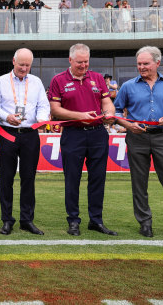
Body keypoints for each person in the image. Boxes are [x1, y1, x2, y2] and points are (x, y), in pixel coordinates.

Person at [114, 46, 163, 239]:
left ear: (157, 63)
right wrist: (127, 125)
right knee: (139, 183)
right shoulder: (128, 86)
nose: (141, 67)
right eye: (139, 64)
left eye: (145, 63)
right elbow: (115, 112)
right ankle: (145, 223)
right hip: (136, 137)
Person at [48, 43, 117, 237]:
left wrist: (109, 113)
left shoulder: (96, 78)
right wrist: (80, 116)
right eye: (79, 62)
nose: (83, 65)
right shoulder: (58, 80)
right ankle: (73, 221)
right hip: (73, 135)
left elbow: (106, 102)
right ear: (70, 60)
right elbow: (55, 110)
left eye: (86, 61)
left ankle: (96, 220)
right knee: (72, 179)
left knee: (98, 179)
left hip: (98, 134)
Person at [0, 48, 50, 236]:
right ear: (13, 61)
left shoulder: (37, 82)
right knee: (6, 179)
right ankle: (7, 220)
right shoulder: (1, 81)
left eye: (27, 65)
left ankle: (27, 220)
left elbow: (43, 105)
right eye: (21, 64)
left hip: (30, 134)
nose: (24, 68)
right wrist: (7, 116)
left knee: (28, 178)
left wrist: (41, 120)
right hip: (7, 133)